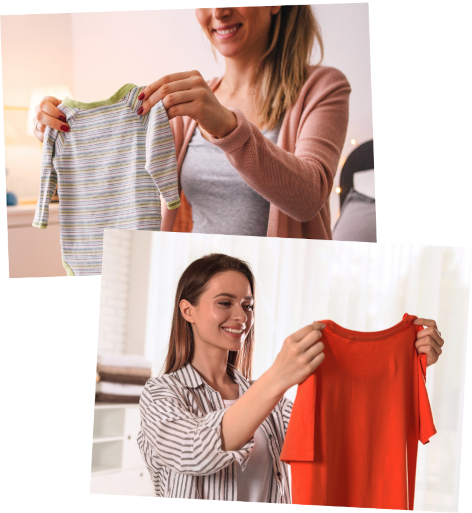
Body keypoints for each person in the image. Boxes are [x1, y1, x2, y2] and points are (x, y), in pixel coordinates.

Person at [136, 253, 444, 502]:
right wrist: (278, 377)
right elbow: (194, 450)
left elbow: (349, 427)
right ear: (187, 311)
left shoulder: (273, 402)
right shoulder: (160, 394)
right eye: (225, 303)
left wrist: (404, 367)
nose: (242, 317)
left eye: (248, 305)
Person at [33, 6, 352, 239]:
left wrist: (228, 128)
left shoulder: (323, 88)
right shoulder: (190, 105)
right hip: (198, 291)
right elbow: (113, 169)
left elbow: (310, 196)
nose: (219, 11)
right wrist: (61, 134)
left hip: (282, 290)